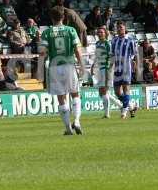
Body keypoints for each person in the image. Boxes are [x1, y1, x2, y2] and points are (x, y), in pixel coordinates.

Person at [40, 7, 84, 135]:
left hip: (54, 67)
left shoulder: (47, 32)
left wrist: (39, 69)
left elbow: (43, 52)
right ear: (63, 17)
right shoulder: (70, 30)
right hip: (69, 65)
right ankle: (76, 121)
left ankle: (68, 128)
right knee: (75, 94)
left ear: (51, 18)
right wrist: (81, 65)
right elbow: (77, 49)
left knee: (61, 98)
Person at [91, 27, 123, 119]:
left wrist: (109, 68)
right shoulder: (97, 43)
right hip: (99, 69)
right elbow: (97, 56)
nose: (99, 33)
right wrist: (93, 65)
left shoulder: (107, 44)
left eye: (101, 32)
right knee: (102, 93)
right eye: (98, 32)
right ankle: (121, 106)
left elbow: (112, 57)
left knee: (104, 91)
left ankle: (107, 114)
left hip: (106, 69)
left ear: (105, 34)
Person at [111, 21, 138, 119]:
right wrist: (110, 66)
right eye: (118, 28)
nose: (119, 29)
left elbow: (135, 53)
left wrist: (136, 66)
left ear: (125, 28)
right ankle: (131, 106)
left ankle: (124, 112)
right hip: (117, 68)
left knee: (126, 88)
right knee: (117, 92)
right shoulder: (114, 40)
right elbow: (112, 55)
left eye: (121, 28)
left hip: (126, 67)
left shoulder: (130, 40)